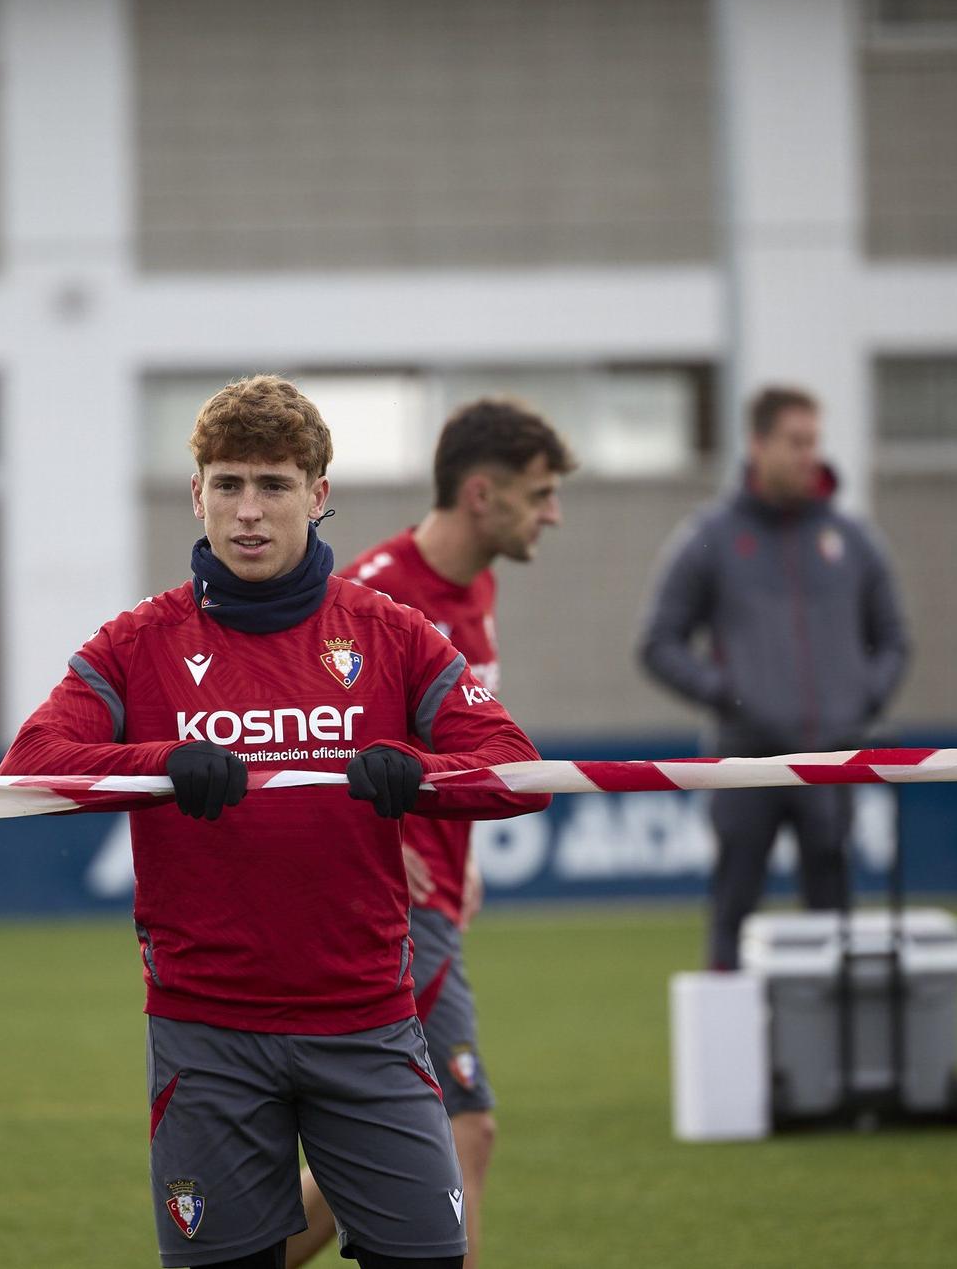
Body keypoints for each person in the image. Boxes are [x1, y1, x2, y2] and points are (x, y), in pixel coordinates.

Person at [0, 375, 551, 1269]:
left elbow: (516, 769)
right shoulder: (137, 642)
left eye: (273, 485)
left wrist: (418, 775)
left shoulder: (391, 633)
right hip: (207, 1034)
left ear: (318, 493)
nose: (248, 511)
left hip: (368, 1023)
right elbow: (29, 764)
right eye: (228, 484)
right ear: (197, 494)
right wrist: (162, 766)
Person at [287, 399, 571, 1269]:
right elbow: (295, 731)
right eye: (540, 494)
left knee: (398, 1146)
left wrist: (461, 851)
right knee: (463, 1123)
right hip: (386, 907)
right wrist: (378, 831)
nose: (554, 514)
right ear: (482, 493)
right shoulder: (372, 594)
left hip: (438, 899)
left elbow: (455, 740)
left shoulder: (478, 585)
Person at [638, 385, 910, 971]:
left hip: (833, 760)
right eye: (796, 441)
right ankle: (728, 1031)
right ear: (757, 445)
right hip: (745, 763)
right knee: (732, 917)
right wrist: (728, 695)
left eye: (814, 441)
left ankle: (829, 1033)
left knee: (835, 926)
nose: (810, 454)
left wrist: (862, 699)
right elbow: (658, 643)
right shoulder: (711, 537)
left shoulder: (854, 541)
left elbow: (895, 641)